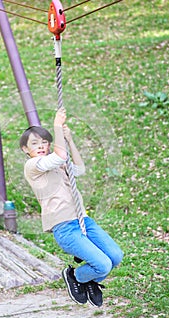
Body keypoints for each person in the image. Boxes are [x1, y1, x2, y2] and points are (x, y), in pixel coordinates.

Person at [19, 107, 123, 307]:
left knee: (115, 257)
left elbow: (80, 169)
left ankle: (89, 280)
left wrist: (70, 140)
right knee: (102, 264)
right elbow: (58, 157)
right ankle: (75, 275)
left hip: (83, 220)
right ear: (25, 149)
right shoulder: (33, 167)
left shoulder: (58, 164)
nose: (41, 146)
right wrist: (57, 125)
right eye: (34, 143)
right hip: (65, 226)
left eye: (44, 142)